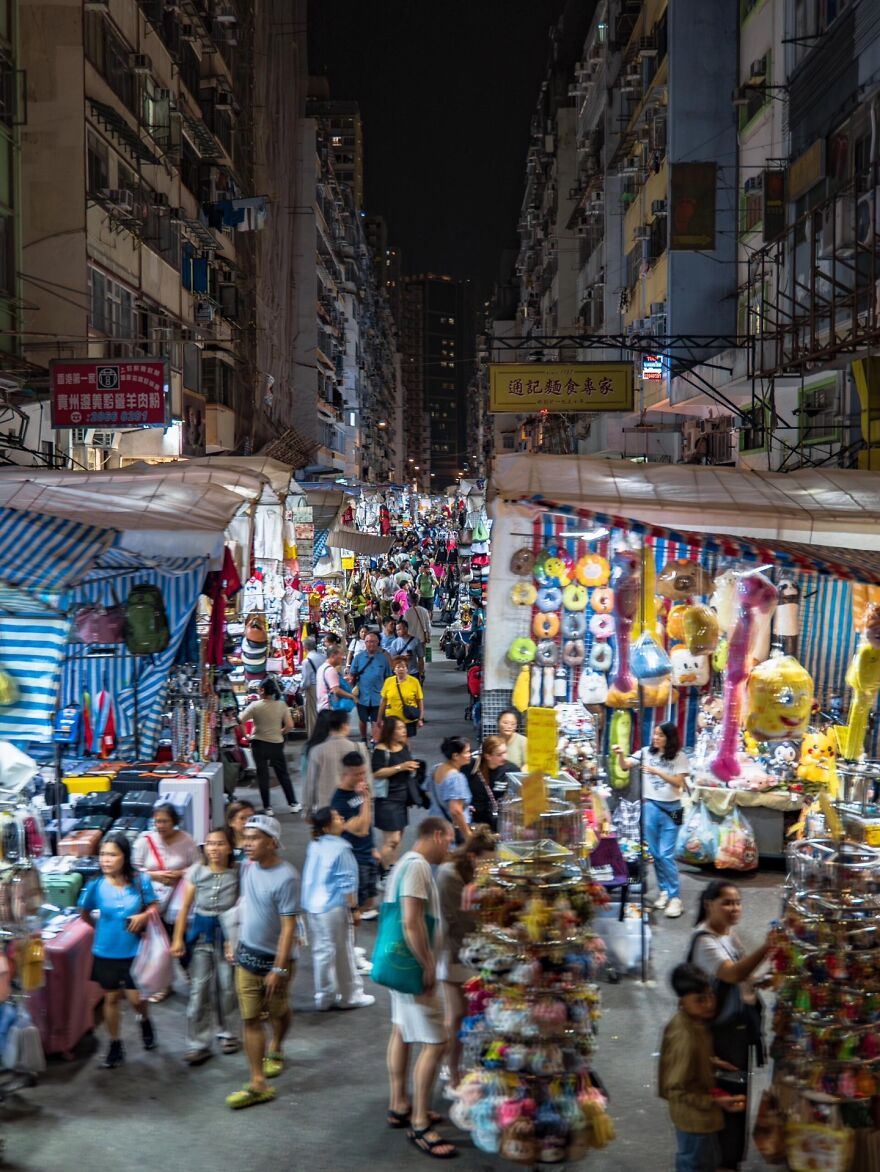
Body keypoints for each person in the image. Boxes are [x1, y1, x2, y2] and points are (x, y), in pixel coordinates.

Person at [689, 882, 774, 1172]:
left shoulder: (727, 934)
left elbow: (742, 978)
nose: (735, 908)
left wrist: (763, 980)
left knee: (738, 1093)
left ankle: (731, 1159)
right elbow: (732, 973)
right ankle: (722, 1161)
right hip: (721, 1035)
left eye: (738, 902)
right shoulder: (704, 941)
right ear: (708, 904)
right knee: (727, 1095)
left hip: (737, 1029)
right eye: (727, 902)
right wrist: (767, 946)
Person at [385, 816, 456, 1158]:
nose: (450, 848)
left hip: (400, 967)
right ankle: (420, 1125)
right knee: (437, 1041)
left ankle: (400, 1104)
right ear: (438, 836)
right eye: (450, 841)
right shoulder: (417, 867)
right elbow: (411, 920)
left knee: (401, 1031)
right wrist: (428, 964)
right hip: (414, 968)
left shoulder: (404, 864)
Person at [226, 814, 300, 1111]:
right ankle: (258, 1082)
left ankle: (277, 1046)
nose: (247, 844)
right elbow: (246, 907)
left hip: (275, 962)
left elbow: (289, 928)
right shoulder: (248, 866)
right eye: (245, 838)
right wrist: (233, 940)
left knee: (278, 1013)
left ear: (272, 843)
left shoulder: (288, 877)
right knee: (250, 1018)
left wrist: (279, 969)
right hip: (246, 956)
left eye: (254, 838)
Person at [78, 833, 158, 1067]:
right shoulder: (95, 885)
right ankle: (115, 1044)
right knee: (111, 998)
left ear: (125, 856)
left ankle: (144, 1020)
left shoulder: (140, 880)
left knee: (136, 999)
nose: (106, 860)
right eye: (103, 854)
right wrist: (102, 930)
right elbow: (84, 914)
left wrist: (144, 915)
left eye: (112, 854)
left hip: (134, 952)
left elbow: (154, 905)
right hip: (105, 952)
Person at [659, 963, 746, 1172]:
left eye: (710, 995)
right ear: (682, 1003)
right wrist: (717, 1101)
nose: (709, 1004)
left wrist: (712, 1061)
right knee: (695, 1164)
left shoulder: (692, 1021)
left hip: (699, 1119)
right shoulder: (686, 1038)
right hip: (695, 1121)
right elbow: (676, 1089)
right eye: (700, 999)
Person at [171, 826, 241, 1065]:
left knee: (227, 986)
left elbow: (242, 908)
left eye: (220, 843)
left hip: (228, 934)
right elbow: (184, 908)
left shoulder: (238, 872)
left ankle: (228, 1032)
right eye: (210, 843)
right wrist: (178, 938)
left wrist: (235, 940)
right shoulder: (196, 872)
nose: (214, 848)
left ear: (230, 847)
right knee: (200, 988)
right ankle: (198, 1043)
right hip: (202, 935)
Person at [436, 825, 496, 1091]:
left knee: (474, 1013)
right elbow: (458, 921)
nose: (492, 867)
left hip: (476, 952)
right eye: (488, 861)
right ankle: (452, 1069)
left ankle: (467, 1068)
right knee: (457, 1014)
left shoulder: (480, 874)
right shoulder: (449, 876)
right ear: (473, 856)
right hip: (454, 952)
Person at [612, 720, 689, 918]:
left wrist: (656, 771)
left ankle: (675, 898)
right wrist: (620, 754)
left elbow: (678, 783)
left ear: (669, 738)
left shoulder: (680, 757)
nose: (656, 738)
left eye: (660, 735)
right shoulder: (646, 752)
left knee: (666, 854)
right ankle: (664, 891)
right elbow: (625, 765)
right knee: (655, 853)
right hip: (651, 806)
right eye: (655, 734)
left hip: (673, 808)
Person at [301, 806, 374, 1010]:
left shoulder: (315, 845)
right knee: (343, 951)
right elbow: (347, 882)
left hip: (313, 907)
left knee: (322, 952)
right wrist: (354, 909)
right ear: (326, 826)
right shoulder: (341, 847)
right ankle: (351, 995)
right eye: (336, 816)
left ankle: (325, 996)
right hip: (333, 907)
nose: (341, 817)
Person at [133, 802, 201, 999]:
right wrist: (156, 875)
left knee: (180, 942)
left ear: (175, 822)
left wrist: (180, 873)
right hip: (152, 903)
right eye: (157, 822)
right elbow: (135, 870)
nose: (160, 826)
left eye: (164, 821)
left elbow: (198, 867)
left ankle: (190, 975)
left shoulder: (187, 841)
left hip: (178, 904)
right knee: (158, 946)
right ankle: (163, 983)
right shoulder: (144, 841)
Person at [238, 679, 299, 816]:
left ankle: (268, 807)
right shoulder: (281, 705)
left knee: (263, 776)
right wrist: (280, 732)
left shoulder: (255, 706)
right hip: (276, 744)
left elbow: (240, 720)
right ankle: (293, 804)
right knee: (283, 774)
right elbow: (289, 725)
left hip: (258, 744)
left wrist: (246, 736)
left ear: (262, 690)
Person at [330, 751, 379, 920]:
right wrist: (365, 798)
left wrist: (373, 847)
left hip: (367, 854)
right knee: (355, 909)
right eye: (357, 774)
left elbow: (367, 823)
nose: (361, 778)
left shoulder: (358, 792)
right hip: (354, 859)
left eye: (363, 772)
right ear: (345, 774)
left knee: (370, 900)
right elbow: (362, 829)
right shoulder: (339, 802)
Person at [371, 716, 421, 870]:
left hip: (402, 798)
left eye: (404, 728)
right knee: (392, 840)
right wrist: (401, 767)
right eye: (399, 728)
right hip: (387, 799)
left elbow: (406, 765)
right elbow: (377, 772)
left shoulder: (403, 746)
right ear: (390, 731)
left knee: (398, 838)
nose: (403, 731)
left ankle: (392, 867)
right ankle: (383, 870)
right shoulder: (381, 750)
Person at [302, 710, 370, 814]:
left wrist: (308, 810)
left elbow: (311, 783)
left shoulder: (317, 751)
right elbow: (367, 779)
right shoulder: (358, 748)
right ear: (344, 726)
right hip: (353, 805)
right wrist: (367, 803)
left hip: (326, 808)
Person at [425, 736, 472, 843]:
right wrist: (467, 834)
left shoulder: (436, 768)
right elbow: (455, 811)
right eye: (467, 752)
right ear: (455, 755)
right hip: (450, 832)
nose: (470, 755)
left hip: (435, 825)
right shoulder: (456, 778)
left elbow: (429, 789)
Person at [348, 629, 392, 741]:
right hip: (362, 696)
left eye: (373, 641)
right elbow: (352, 675)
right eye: (368, 641)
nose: (370, 644)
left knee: (377, 720)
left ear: (378, 643)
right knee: (362, 719)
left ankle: (375, 740)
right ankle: (363, 738)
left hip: (378, 696)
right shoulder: (358, 658)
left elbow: (388, 678)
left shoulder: (383, 659)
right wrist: (352, 693)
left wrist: (388, 696)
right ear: (365, 643)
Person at [463, 736, 512, 832]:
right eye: (499, 754)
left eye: (505, 752)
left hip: (497, 821)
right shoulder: (471, 766)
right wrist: (464, 804)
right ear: (487, 756)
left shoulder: (511, 770)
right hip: (474, 820)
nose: (504, 757)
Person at [378, 655, 425, 739]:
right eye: (398, 667)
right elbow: (383, 701)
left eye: (403, 667)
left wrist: (420, 718)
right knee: (392, 742)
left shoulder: (414, 682)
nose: (401, 669)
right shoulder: (388, 681)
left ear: (407, 669)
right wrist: (380, 718)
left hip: (408, 718)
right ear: (394, 669)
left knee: (405, 742)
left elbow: (420, 701)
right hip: (391, 719)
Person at [316, 645, 356, 714]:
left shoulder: (322, 667)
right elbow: (336, 690)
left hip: (321, 706)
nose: (342, 658)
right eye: (340, 655)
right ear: (333, 655)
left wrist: (343, 680)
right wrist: (352, 696)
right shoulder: (331, 670)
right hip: (330, 708)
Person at [299, 637, 325, 737]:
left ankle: (314, 737)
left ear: (305, 647)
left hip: (312, 688)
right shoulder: (322, 657)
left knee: (312, 715)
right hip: (323, 686)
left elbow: (306, 682)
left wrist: (300, 687)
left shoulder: (306, 661)